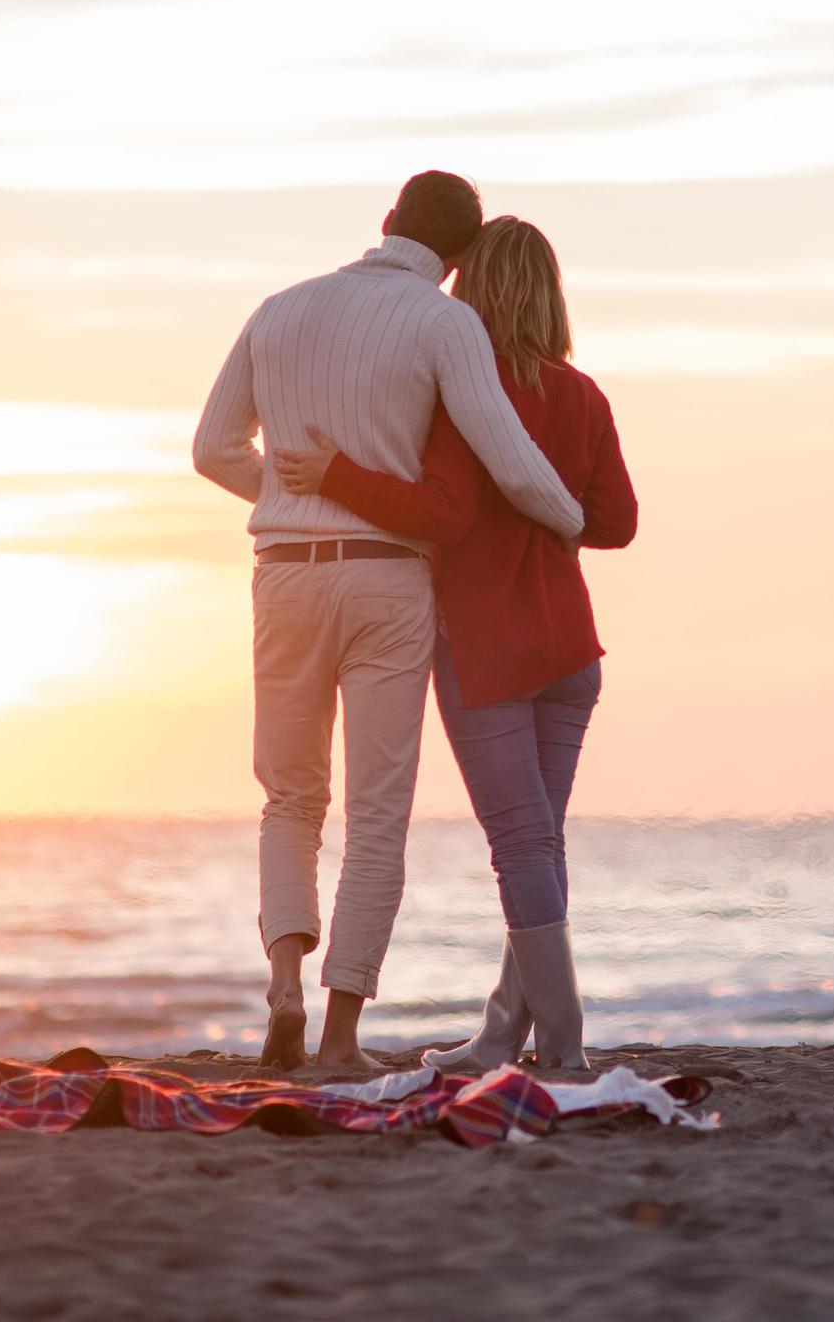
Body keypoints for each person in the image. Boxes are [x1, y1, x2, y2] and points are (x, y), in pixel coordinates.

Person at [191, 173, 586, 1071]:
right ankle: (339, 1039)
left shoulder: (277, 310)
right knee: (377, 815)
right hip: (388, 580)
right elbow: (509, 459)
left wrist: (290, 500)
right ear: (459, 259)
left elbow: (213, 449)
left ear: (384, 224)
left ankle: (283, 989)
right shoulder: (445, 322)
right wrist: (569, 520)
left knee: (290, 798)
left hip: (283, 575)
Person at [268, 216, 636, 1075]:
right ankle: (506, 1030)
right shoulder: (583, 395)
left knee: (522, 845)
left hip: (486, 652)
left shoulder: (463, 394)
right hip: (569, 650)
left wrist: (335, 476)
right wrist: (551, 519)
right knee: (540, 842)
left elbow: (444, 513)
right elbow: (615, 522)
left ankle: (563, 1042)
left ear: (470, 290)